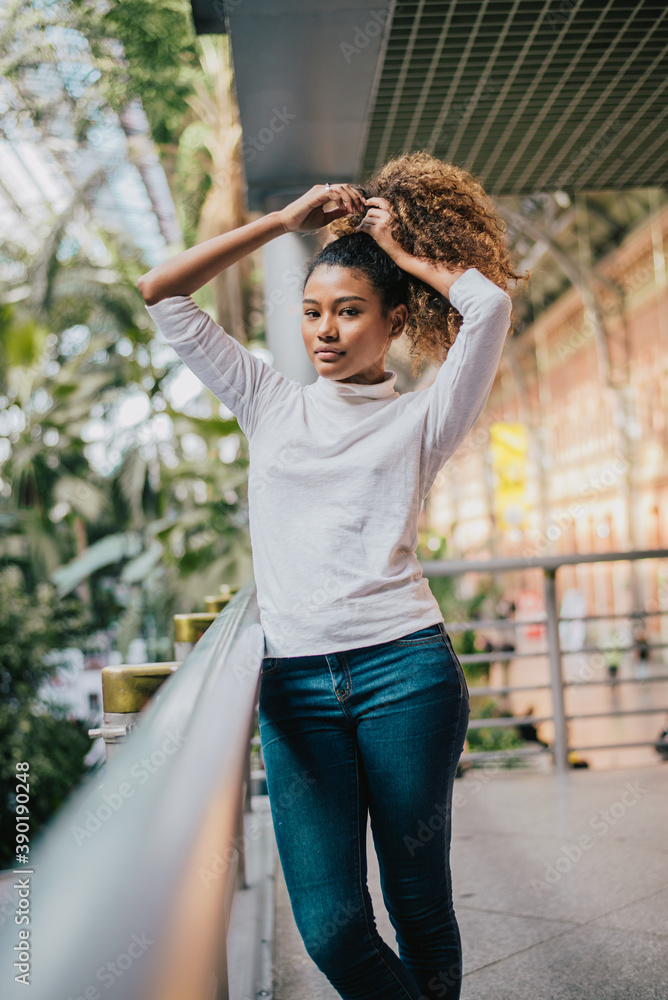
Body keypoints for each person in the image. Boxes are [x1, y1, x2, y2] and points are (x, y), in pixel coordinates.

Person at [138, 151, 526, 1000]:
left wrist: (405, 249)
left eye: (350, 312)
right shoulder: (267, 402)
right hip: (295, 686)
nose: (324, 330)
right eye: (313, 311)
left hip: (407, 674)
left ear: (393, 321)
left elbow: (487, 303)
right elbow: (161, 290)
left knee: (419, 906)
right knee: (333, 928)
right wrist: (282, 223)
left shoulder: (426, 415)